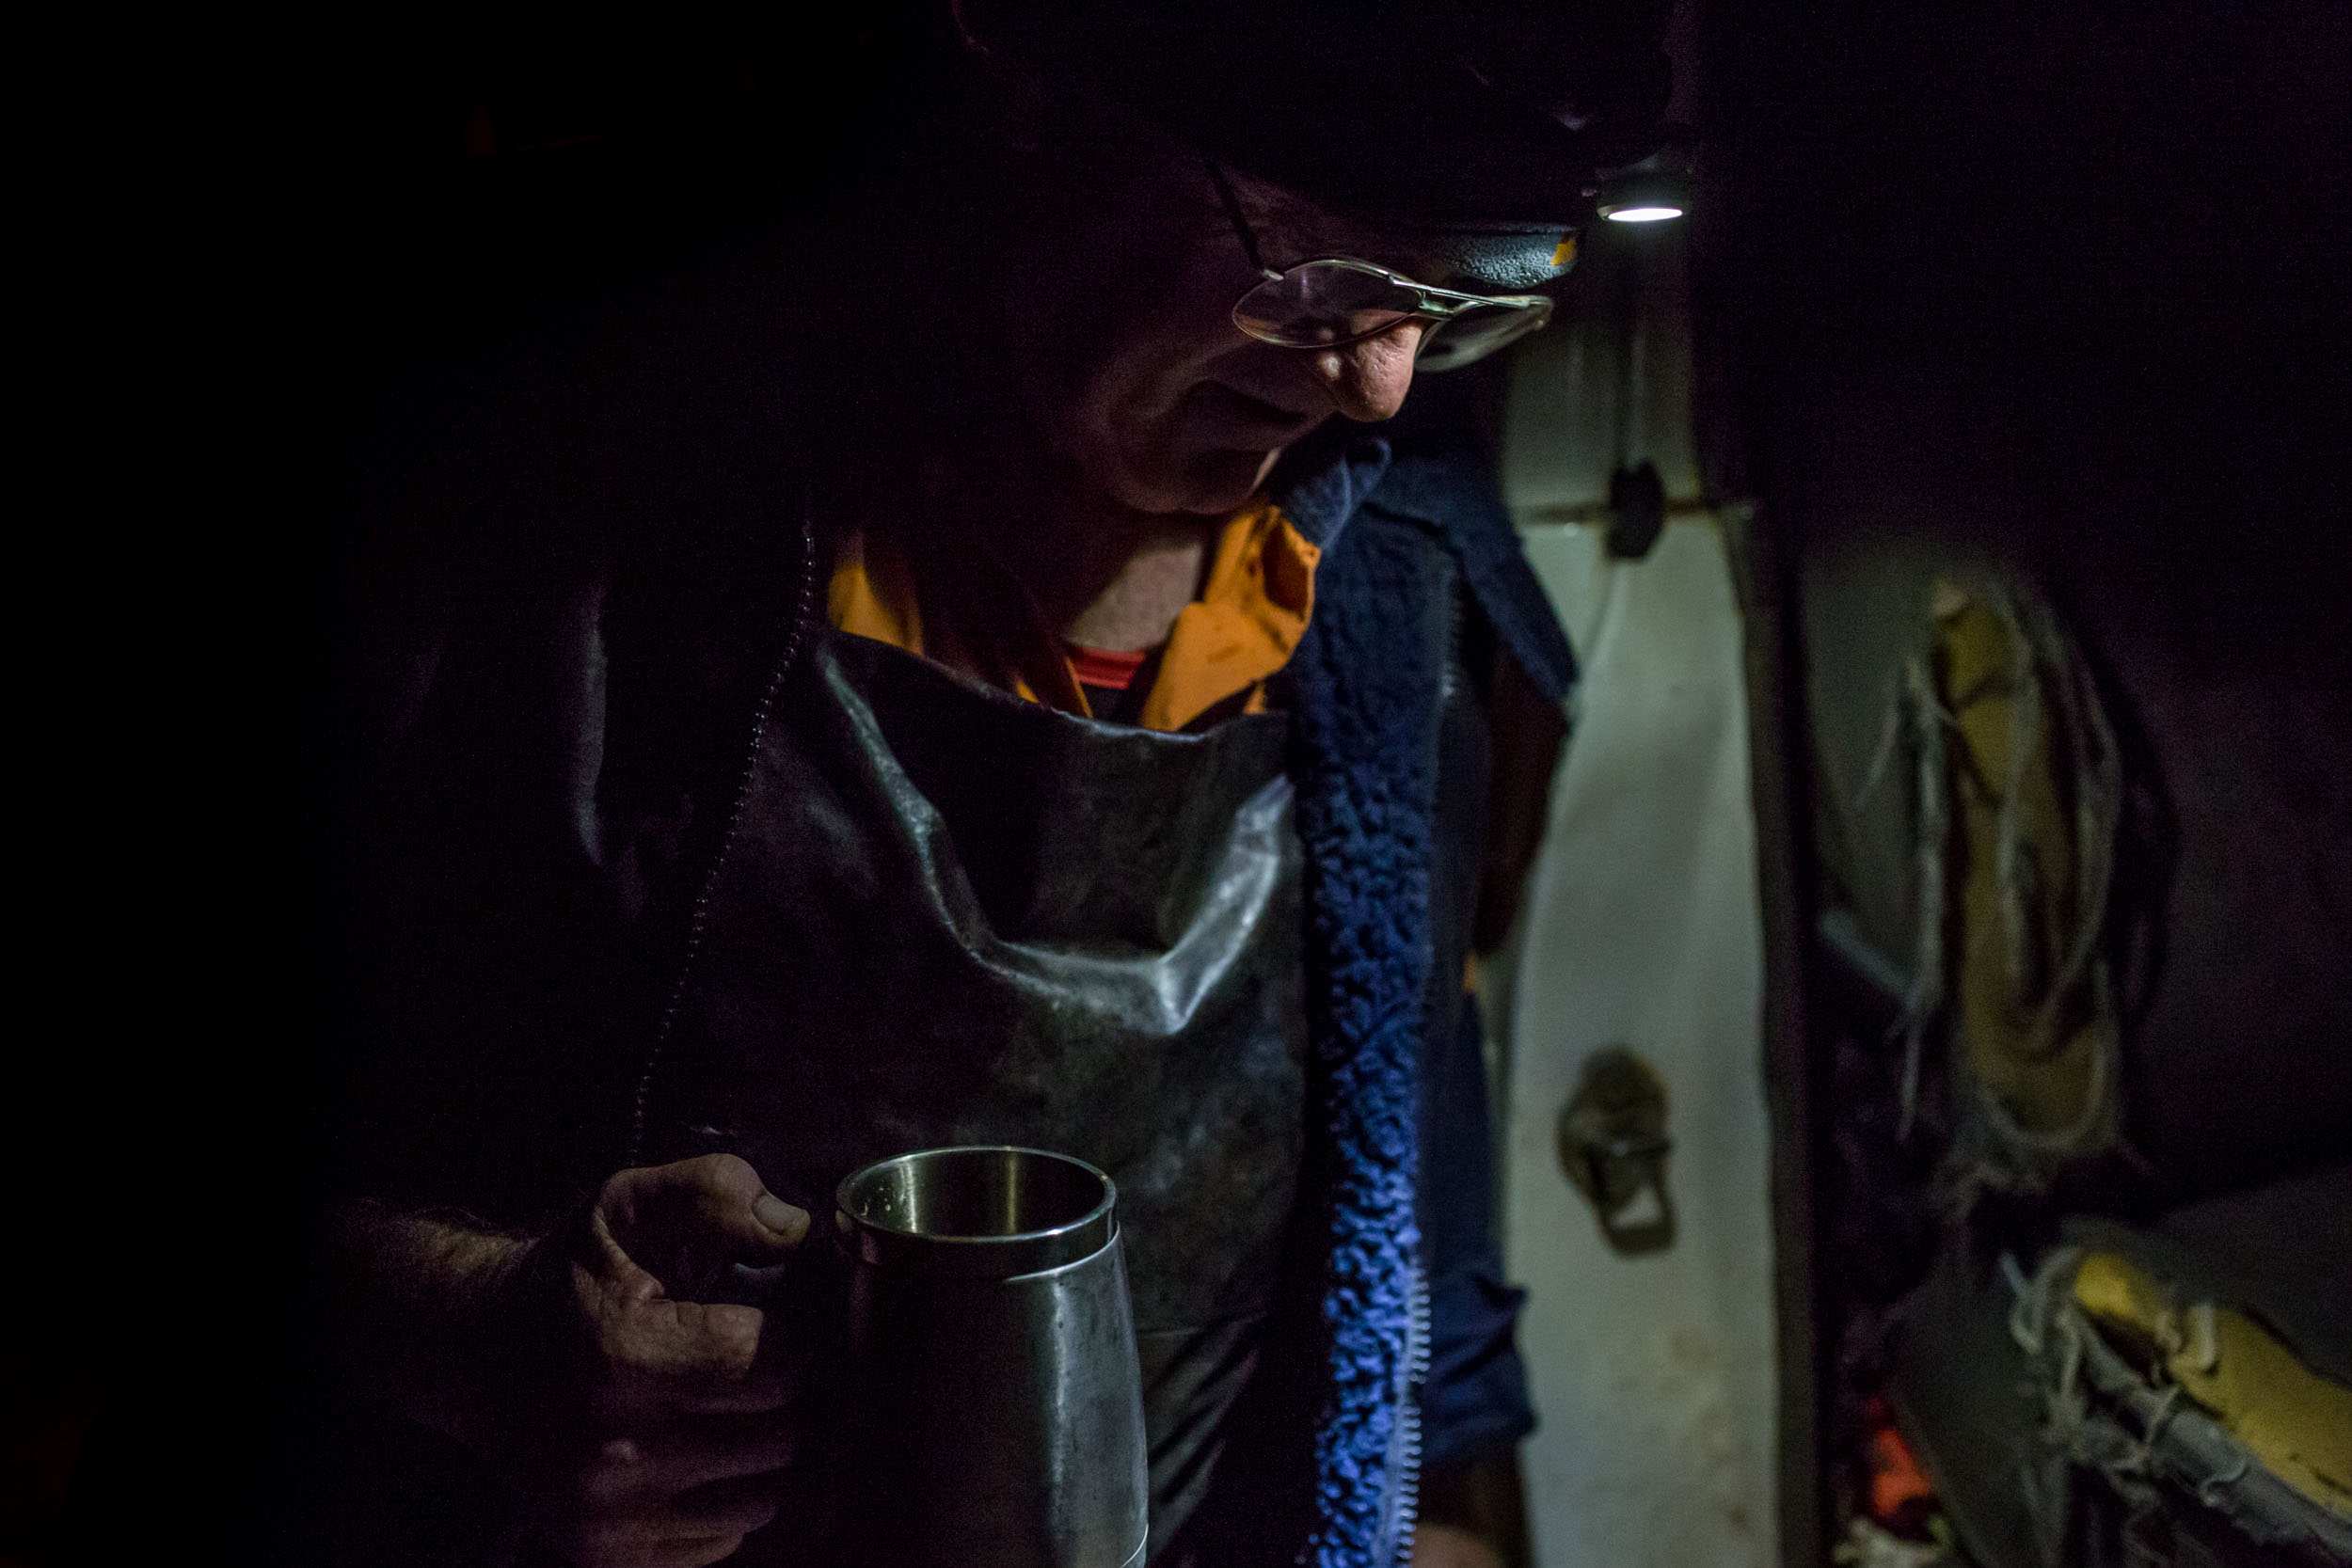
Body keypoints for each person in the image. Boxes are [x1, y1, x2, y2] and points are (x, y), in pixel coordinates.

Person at [294, 5, 1671, 1564]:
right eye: (1326, 277)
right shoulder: (543, 495)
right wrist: (474, 1335)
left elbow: (1407, 1241)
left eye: (1458, 301)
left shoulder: (1397, 578)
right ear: (1033, 94)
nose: (1380, 385)